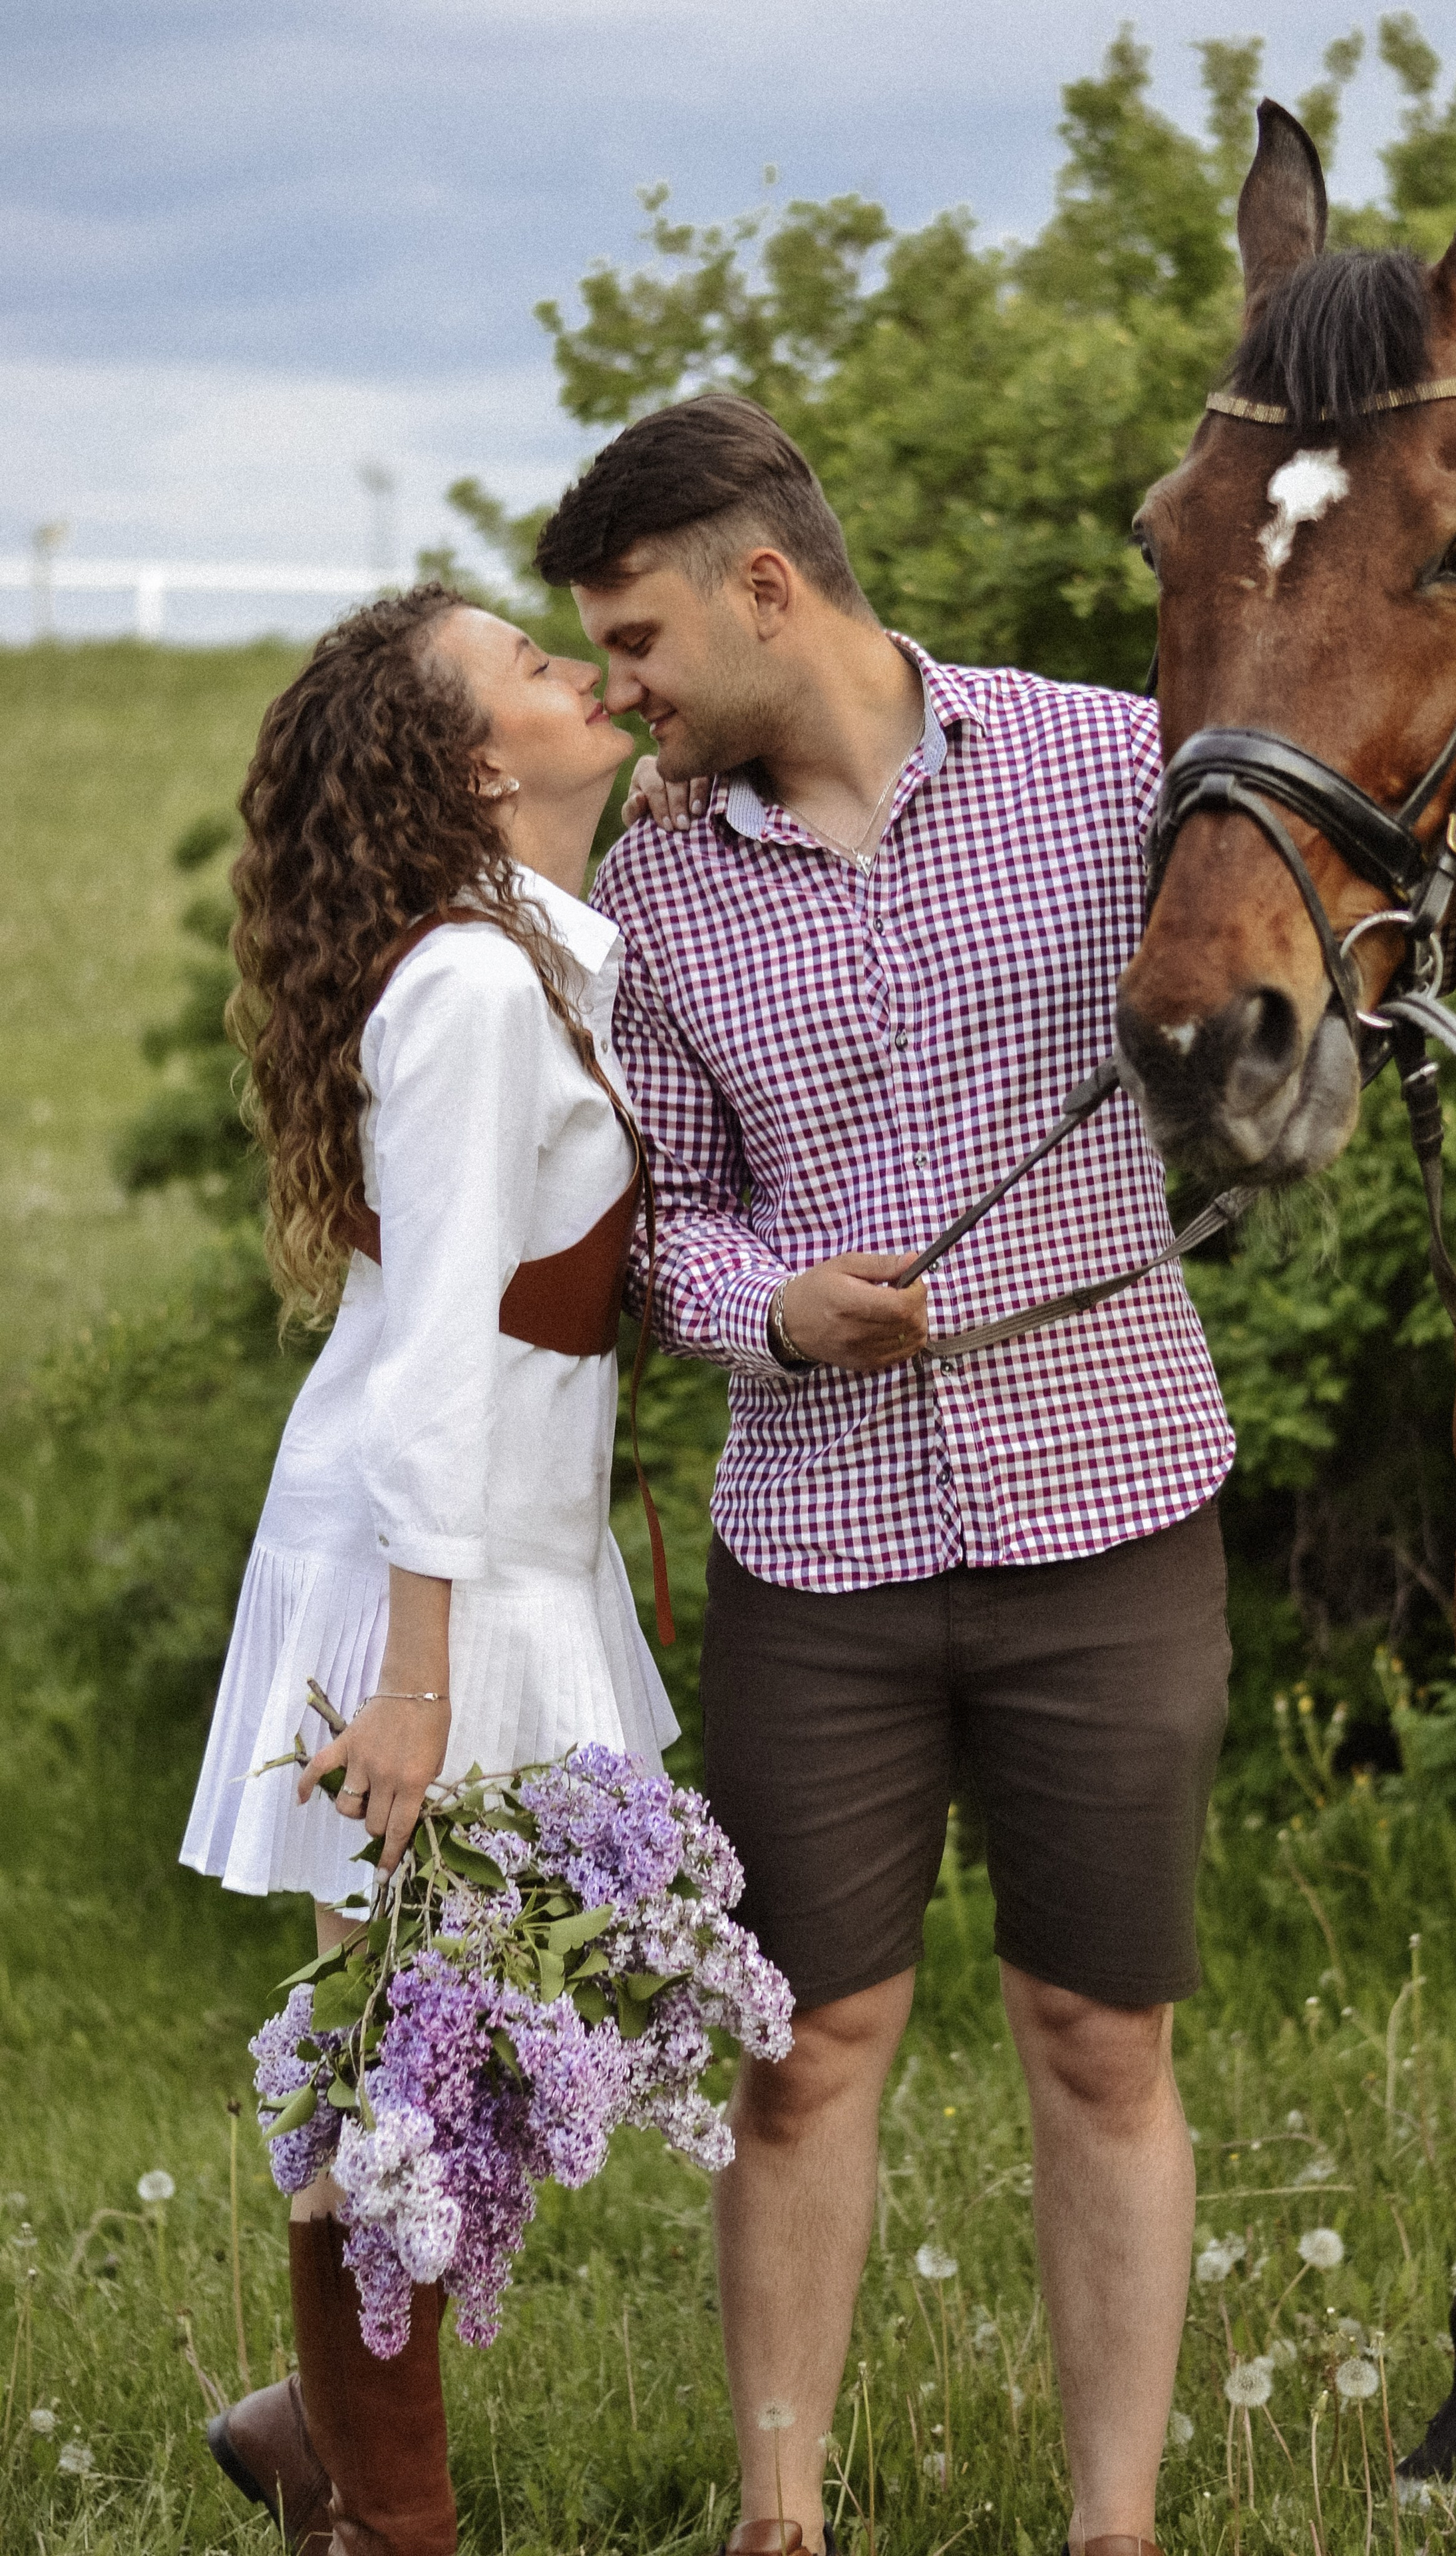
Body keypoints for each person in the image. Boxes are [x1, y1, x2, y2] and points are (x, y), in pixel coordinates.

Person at [536, 395, 1235, 2556]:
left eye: (638, 636)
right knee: (806, 2044)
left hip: (1111, 1497)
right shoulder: (660, 881)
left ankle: (1113, 2530)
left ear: (767, 587)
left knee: (1099, 2035)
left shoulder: (1116, 765)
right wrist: (777, 1309)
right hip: (818, 1551)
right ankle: (782, 2522)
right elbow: (659, 1222)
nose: (622, 685)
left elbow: (1288, 962)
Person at [180, 583, 676, 2555]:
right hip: (417, 1571)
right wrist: (412, 1675)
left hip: (509, 1557)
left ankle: (318, 2429)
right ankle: (394, 2516)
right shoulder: (473, 990)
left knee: (484, 2040)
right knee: (400, 2054)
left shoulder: (543, 952)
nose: (579, 676)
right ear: (481, 761)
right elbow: (446, 1351)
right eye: (536, 668)